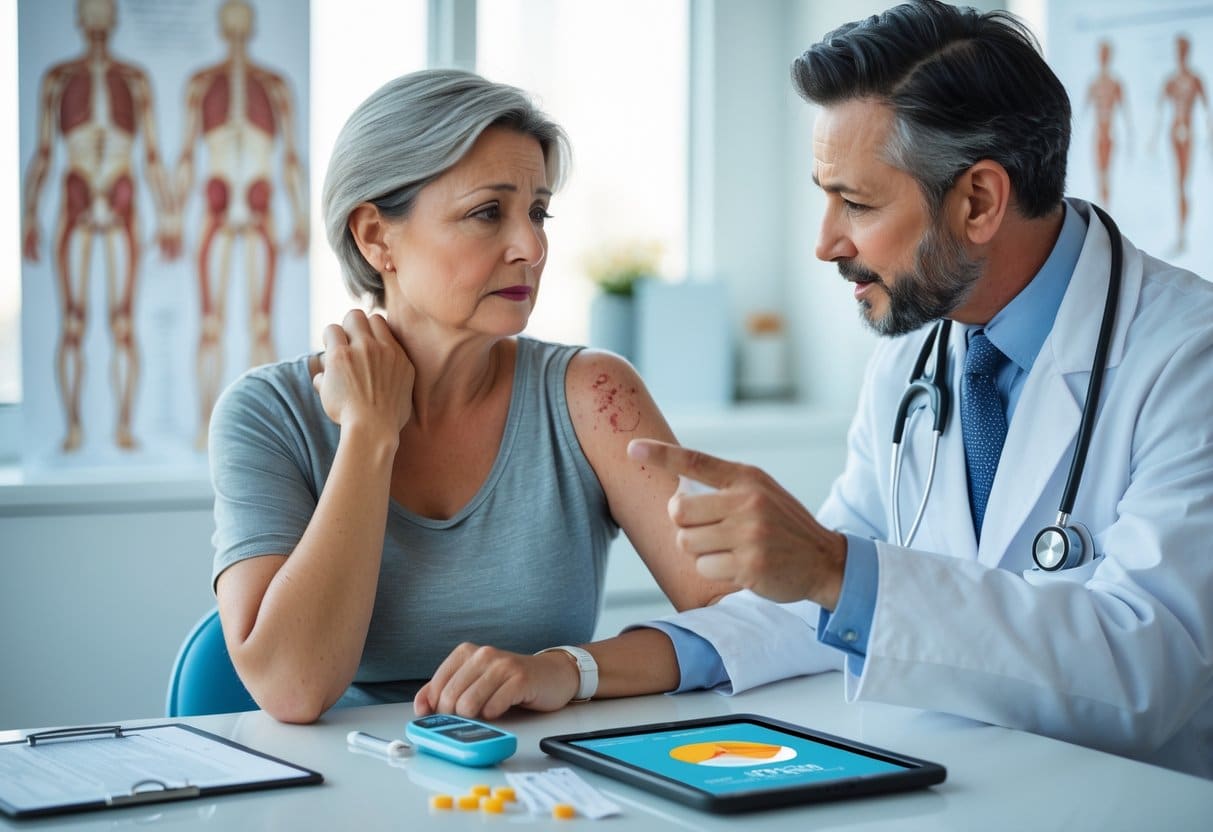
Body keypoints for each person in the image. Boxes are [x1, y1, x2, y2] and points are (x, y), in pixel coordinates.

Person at [621, 0, 1213, 780]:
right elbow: (817, 598)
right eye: (824, 195)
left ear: (977, 202)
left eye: (857, 203)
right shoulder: (914, 355)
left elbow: (1150, 665)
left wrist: (836, 568)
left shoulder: (1186, 357)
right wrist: (586, 670)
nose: (825, 242)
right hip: (954, 789)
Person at [208, 69, 733, 724]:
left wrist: (564, 669)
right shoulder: (267, 413)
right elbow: (292, 688)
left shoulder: (592, 392)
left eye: (538, 212)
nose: (532, 246)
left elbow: (740, 626)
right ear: (375, 237)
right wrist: (370, 432)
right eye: (487, 213)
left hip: (537, 781)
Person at [20, 0, 175, 452]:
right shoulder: (58, 78)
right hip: (76, 194)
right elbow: (45, 152)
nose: (99, 22)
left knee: (123, 322)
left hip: (124, 194)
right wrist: (30, 213)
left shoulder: (134, 79)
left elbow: (151, 156)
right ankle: (73, 426)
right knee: (73, 321)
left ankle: (123, 425)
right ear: (80, 19)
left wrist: (167, 213)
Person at [171, 0, 309, 450]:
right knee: (210, 322)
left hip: (258, 207)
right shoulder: (200, 85)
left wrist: (303, 215)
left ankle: (266, 432)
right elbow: (187, 155)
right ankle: (203, 424)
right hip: (217, 209)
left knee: (262, 324)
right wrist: (173, 216)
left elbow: (290, 158)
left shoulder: (274, 86)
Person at [1151, 34, 1211, 254]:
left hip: (1187, 134)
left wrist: (1209, 139)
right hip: (1174, 133)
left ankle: (1183, 234)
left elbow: (1207, 111)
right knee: (1178, 184)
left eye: (1183, 49)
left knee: (1183, 184)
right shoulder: (1170, 81)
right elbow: (1159, 112)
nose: (1180, 54)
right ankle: (1180, 234)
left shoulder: (1196, 79)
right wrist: (1153, 140)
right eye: (1178, 50)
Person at [1084, 40, 1131, 206]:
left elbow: (1126, 113)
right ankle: (1102, 206)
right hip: (1098, 133)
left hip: (1109, 133)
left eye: (1106, 54)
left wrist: (1130, 137)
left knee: (1107, 172)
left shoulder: (1115, 83)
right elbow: (1084, 111)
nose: (1103, 57)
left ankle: (1107, 208)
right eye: (1101, 53)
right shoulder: (1094, 83)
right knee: (1099, 172)